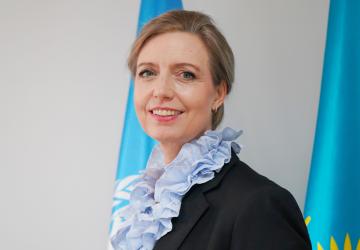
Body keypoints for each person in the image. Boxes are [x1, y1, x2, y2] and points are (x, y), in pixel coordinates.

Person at [111, 10, 311, 250]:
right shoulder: (143, 205)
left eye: (186, 74)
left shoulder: (259, 204)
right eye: (148, 73)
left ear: (219, 93)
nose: (161, 90)